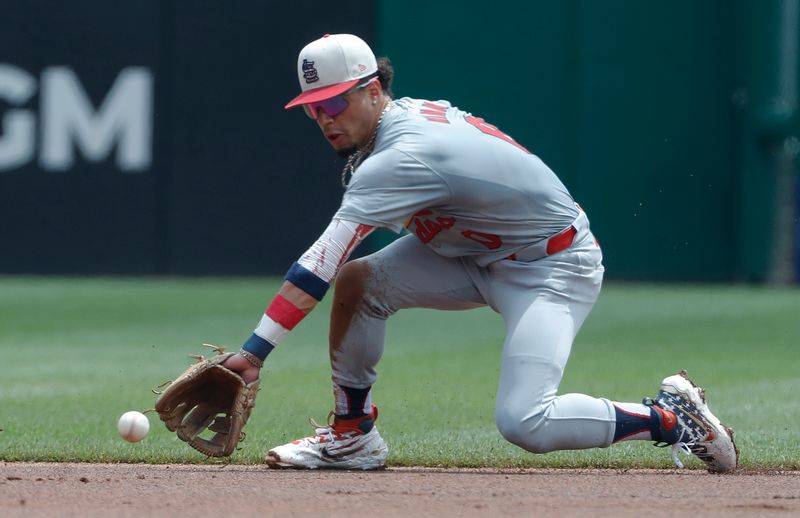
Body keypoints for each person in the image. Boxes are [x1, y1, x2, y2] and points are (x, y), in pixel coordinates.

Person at [222, 33, 738, 472]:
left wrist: (254, 352)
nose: (324, 117)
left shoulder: (400, 156)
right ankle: (353, 433)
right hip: (468, 254)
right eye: (313, 108)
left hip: (551, 267)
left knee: (525, 422)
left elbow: (319, 263)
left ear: (374, 90)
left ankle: (671, 418)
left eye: (335, 102)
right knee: (362, 283)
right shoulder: (390, 129)